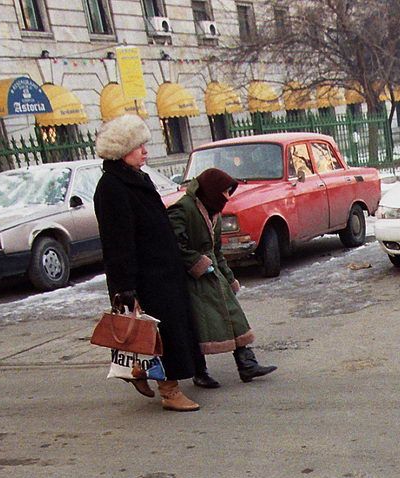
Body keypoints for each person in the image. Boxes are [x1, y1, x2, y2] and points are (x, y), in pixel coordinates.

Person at [93, 113, 208, 412]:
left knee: (160, 331)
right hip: (144, 276)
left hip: (163, 270)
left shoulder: (137, 179)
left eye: (145, 144)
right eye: (139, 146)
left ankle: (140, 371)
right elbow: (117, 242)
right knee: (160, 333)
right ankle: (169, 392)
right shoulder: (112, 187)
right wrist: (125, 287)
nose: (145, 151)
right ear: (121, 150)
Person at [167, 168, 276, 384]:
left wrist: (228, 277)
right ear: (212, 190)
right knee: (199, 324)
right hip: (193, 278)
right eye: (225, 192)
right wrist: (197, 263)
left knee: (233, 314)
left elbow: (217, 250)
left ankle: (247, 364)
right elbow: (174, 244)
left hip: (213, 272)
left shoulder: (212, 211)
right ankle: (200, 372)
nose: (227, 197)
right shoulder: (184, 208)